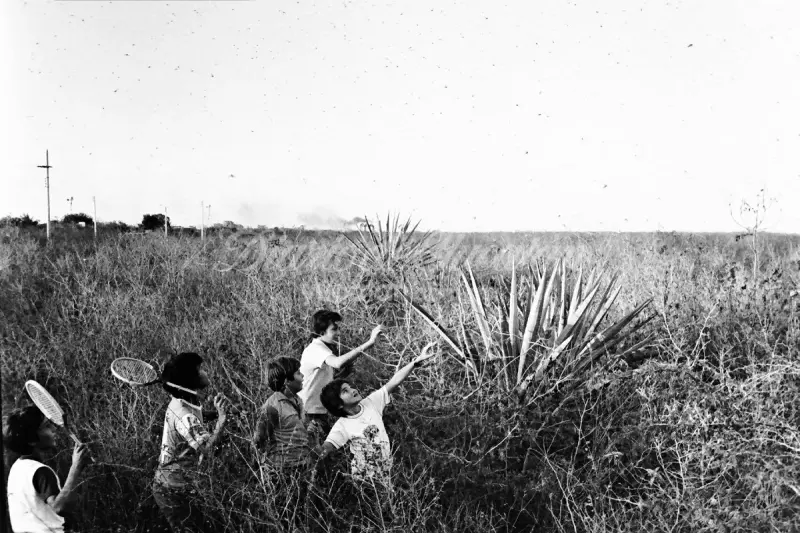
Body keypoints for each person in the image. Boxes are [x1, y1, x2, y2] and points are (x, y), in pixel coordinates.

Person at [317, 342, 437, 485]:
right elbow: (324, 450)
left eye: (350, 387)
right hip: (365, 482)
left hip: (387, 475)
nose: (353, 390)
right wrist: (314, 440)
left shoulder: (371, 403)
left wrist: (415, 362)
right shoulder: (342, 426)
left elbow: (394, 382)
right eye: (345, 391)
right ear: (338, 404)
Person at [152, 352, 231, 533]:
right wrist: (222, 419)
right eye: (200, 370)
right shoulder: (184, 414)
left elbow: (197, 418)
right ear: (190, 380)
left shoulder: (185, 400)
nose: (204, 373)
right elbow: (206, 450)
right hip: (171, 489)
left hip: (181, 484)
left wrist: (216, 414)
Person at [298, 310, 383, 445]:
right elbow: (337, 362)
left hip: (318, 411)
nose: (338, 333)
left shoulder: (323, 349)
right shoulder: (315, 349)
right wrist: (369, 343)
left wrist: (342, 376)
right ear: (321, 332)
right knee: (313, 452)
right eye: (333, 329)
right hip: (309, 412)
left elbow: (321, 382)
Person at [4, 405, 92, 533]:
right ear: (32, 440)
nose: (53, 428)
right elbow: (59, 507)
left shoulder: (17, 469)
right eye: (46, 426)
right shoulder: (40, 471)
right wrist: (75, 468)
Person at [253, 356, 315, 530]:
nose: (302, 376)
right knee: (285, 518)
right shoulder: (271, 407)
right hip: (282, 471)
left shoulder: (298, 401)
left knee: (300, 515)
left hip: (301, 466)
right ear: (286, 380)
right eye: (297, 373)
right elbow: (259, 440)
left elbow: (297, 429)